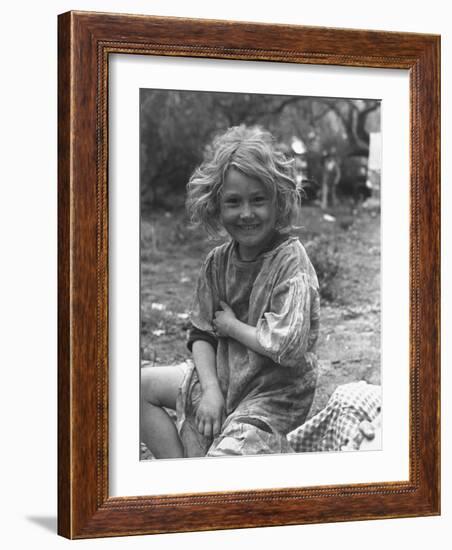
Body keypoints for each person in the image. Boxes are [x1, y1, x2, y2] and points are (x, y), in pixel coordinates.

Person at [141, 125, 320, 459]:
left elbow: (287, 346)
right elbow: (201, 333)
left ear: (278, 202)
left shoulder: (290, 261)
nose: (247, 213)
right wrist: (210, 389)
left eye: (258, 200)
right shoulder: (217, 262)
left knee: (223, 460)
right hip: (225, 378)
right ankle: (181, 488)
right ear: (216, 206)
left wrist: (232, 326)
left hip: (272, 396)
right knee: (138, 387)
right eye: (234, 202)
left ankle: (235, 467)